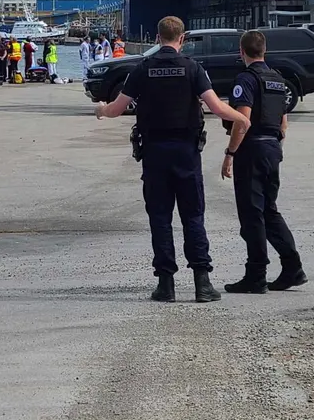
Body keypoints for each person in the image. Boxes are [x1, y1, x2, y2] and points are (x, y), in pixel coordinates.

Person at [95, 16, 250, 303]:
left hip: (154, 154)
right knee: (193, 216)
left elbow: (117, 109)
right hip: (186, 153)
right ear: (182, 40)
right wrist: (242, 118)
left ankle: (166, 285)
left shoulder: (142, 69)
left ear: (157, 38)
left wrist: (101, 110)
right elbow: (216, 107)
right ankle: (202, 283)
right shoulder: (193, 69)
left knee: (160, 218)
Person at [221, 30, 307, 294]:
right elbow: (283, 121)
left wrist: (230, 153)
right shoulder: (277, 79)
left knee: (252, 214)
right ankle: (293, 267)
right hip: (272, 148)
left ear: (241, 51)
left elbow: (242, 120)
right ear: (264, 50)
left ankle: (256, 275)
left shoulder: (246, 80)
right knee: (269, 210)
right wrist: (276, 148)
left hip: (253, 151)